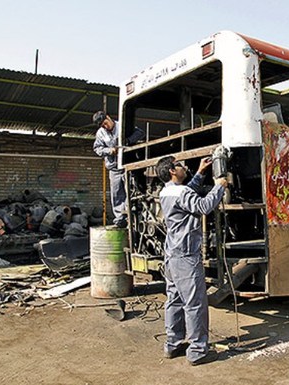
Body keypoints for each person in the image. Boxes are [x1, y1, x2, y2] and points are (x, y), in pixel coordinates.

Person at [156, 155, 228, 366]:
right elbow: (204, 206)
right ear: (171, 171)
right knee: (195, 304)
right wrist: (219, 186)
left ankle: (173, 344)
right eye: (179, 165)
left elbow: (186, 194)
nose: (183, 166)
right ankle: (197, 351)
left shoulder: (166, 191)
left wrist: (198, 173)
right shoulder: (182, 193)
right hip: (186, 257)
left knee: (174, 299)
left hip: (171, 256)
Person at [92, 111, 144, 227]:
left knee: (131, 191)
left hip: (127, 165)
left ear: (109, 118)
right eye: (102, 126)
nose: (105, 127)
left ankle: (133, 215)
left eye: (105, 123)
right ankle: (120, 219)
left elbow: (140, 133)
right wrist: (109, 151)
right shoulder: (100, 133)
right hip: (114, 168)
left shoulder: (123, 126)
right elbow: (97, 148)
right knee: (116, 193)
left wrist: (128, 140)